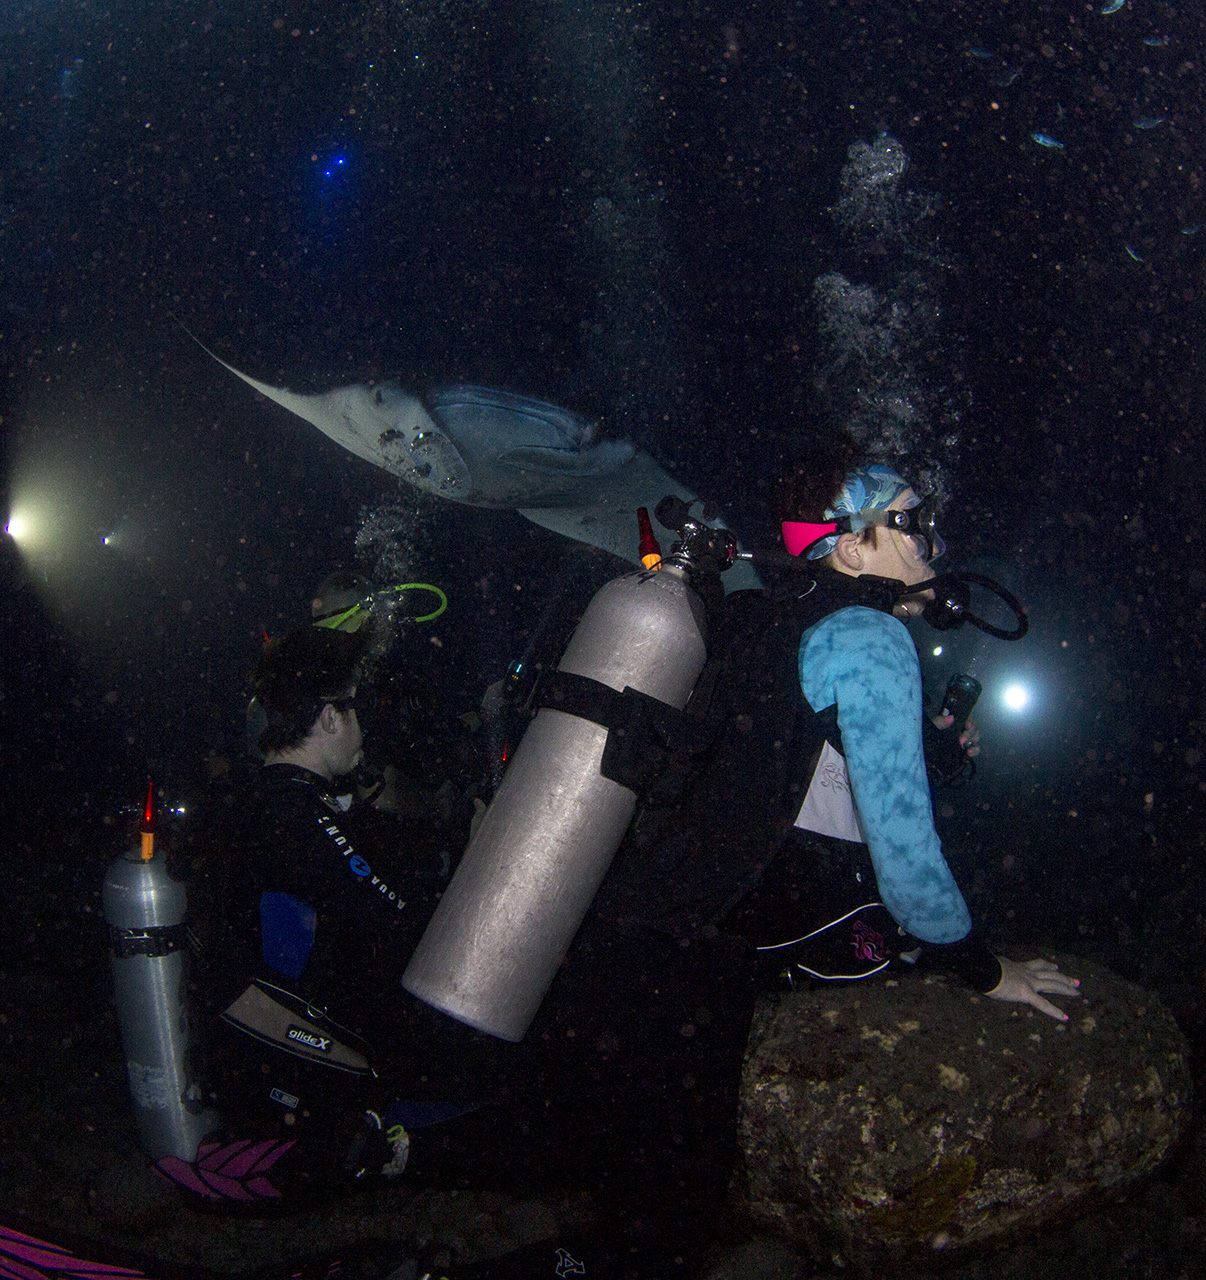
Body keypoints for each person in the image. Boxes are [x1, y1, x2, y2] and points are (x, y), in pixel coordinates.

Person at [720, 455, 1080, 1018]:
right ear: (852, 546)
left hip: (734, 922)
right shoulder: (872, 633)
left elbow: (806, 752)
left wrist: (923, 743)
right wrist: (980, 969)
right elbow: (902, 843)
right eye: (912, 524)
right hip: (804, 932)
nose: (933, 547)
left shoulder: (797, 618)